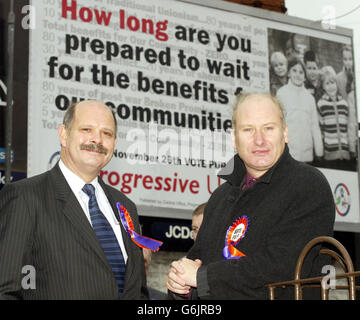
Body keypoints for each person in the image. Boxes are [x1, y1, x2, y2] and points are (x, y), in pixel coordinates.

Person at [166, 93, 335, 300]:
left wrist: (203, 278)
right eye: (248, 130)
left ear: (285, 133)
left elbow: (283, 265)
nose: (259, 139)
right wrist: (179, 283)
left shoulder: (308, 184)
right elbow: (196, 259)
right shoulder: (220, 197)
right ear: (234, 139)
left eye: (268, 128)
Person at [0, 100, 148, 299]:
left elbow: (138, 292)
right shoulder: (25, 198)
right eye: (87, 129)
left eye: (107, 133)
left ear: (114, 143)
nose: (97, 139)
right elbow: (6, 290)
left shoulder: (126, 207)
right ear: (64, 134)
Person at [276, 57, 323, 163]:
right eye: (294, 71)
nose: (298, 74)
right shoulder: (282, 93)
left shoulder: (309, 98)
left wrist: (319, 151)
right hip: (287, 153)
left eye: (301, 72)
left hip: (306, 155)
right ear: (288, 73)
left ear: (305, 77)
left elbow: (314, 126)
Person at [317, 66, 356, 163]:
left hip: (345, 153)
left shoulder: (344, 103)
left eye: (332, 82)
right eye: (327, 83)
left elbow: (349, 128)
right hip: (330, 154)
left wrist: (351, 149)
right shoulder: (321, 104)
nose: (331, 86)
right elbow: (320, 130)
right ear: (323, 86)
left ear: (337, 84)